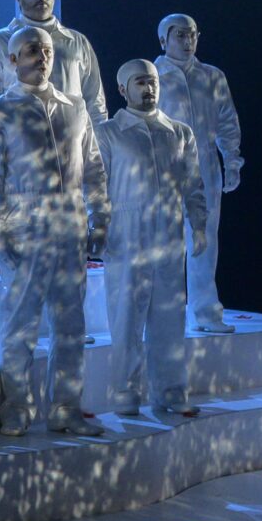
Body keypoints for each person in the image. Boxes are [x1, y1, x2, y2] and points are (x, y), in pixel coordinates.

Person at [0, 26, 109, 436]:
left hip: (68, 227)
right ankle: (16, 407)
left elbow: (94, 168)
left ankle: (66, 408)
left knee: (71, 325)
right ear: (12, 60)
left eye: (47, 49)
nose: (42, 56)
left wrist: (98, 217)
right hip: (25, 225)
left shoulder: (75, 108)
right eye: (32, 49)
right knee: (21, 324)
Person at [96, 59, 207, 417]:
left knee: (169, 317)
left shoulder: (179, 132)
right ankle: (125, 393)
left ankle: (171, 391)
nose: (149, 89)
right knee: (127, 318)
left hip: (169, 235)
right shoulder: (109, 133)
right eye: (140, 82)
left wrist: (199, 224)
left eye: (153, 82)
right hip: (127, 234)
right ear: (123, 89)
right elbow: (96, 185)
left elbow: (193, 184)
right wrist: (96, 224)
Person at [155, 14, 243, 334]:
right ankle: (164, 315)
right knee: (166, 244)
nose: (188, 41)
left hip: (205, 166)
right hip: (165, 168)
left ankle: (206, 312)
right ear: (164, 40)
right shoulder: (153, 76)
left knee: (205, 242)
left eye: (192, 34)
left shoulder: (212, 76)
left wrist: (231, 159)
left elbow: (226, 120)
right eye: (180, 35)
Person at [0, 0, 106, 127]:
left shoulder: (77, 42)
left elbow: (94, 102)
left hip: (72, 142)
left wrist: (99, 146)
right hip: (20, 142)